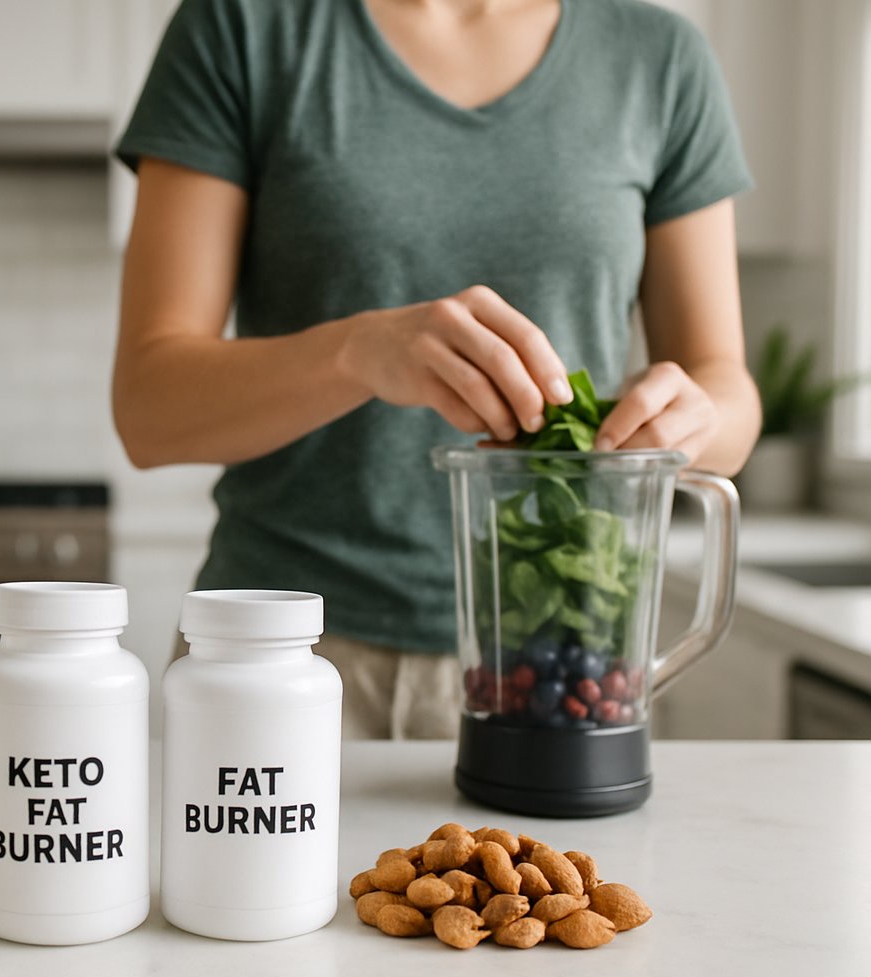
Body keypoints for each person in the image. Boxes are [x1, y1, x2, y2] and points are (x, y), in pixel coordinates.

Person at [111, 0, 761, 739]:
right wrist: (356, 351)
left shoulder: (658, 57)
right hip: (275, 659)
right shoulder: (243, 27)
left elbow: (727, 393)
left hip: (553, 667)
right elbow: (148, 409)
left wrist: (691, 418)